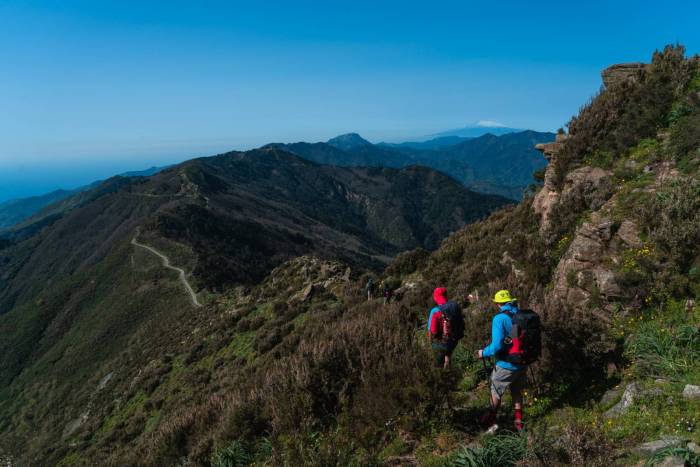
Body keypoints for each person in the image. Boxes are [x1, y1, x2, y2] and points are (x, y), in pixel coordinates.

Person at [476, 290, 527, 432]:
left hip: (506, 363)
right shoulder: (520, 314)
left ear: (498, 304)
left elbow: (497, 345)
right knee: (517, 392)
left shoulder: (499, 319)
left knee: (496, 392)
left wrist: (483, 353)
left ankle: (491, 421)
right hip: (522, 362)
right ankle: (519, 423)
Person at [428, 287, 464, 368]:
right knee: (447, 356)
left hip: (442, 342)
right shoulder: (455, 305)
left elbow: (432, 331)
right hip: (455, 339)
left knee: (437, 365)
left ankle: (442, 375)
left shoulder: (435, 311)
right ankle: (448, 367)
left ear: (435, 297)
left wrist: (430, 346)